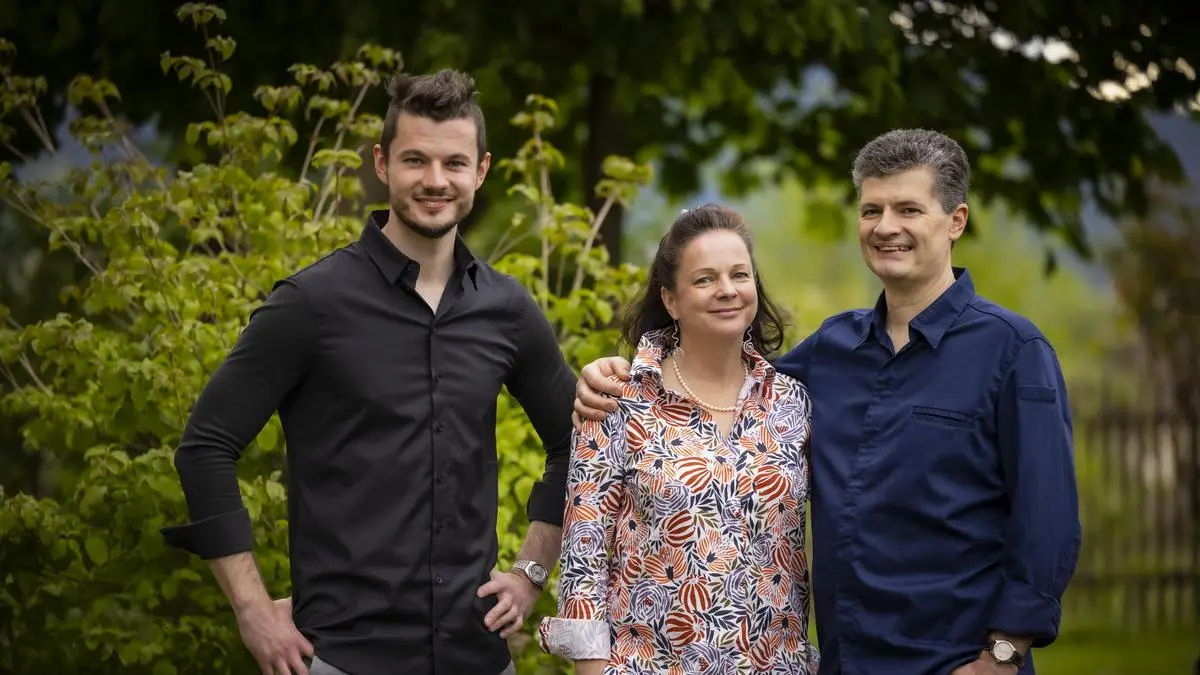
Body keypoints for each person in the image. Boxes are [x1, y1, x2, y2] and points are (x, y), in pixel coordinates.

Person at [571, 129, 1082, 674]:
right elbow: (719, 388)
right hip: (847, 661)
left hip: (957, 660)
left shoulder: (1013, 351)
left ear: (956, 220)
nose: (886, 227)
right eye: (871, 210)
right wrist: (618, 376)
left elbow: (1047, 521)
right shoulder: (832, 351)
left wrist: (1001, 657)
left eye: (909, 209)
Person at [161, 69, 577, 675]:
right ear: (382, 163)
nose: (435, 181)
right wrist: (251, 612)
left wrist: (531, 572)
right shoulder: (310, 304)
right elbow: (205, 448)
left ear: (481, 171)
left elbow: (580, 444)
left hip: (477, 658)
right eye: (415, 160)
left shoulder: (507, 310)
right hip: (344, 658)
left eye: (454, 164)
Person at [538, 204, 820, 674]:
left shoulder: (793, 403)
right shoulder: (617, 400)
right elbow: (584, 558)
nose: (727, 290)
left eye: (739, 275)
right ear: (670, 300)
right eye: (705, 279)